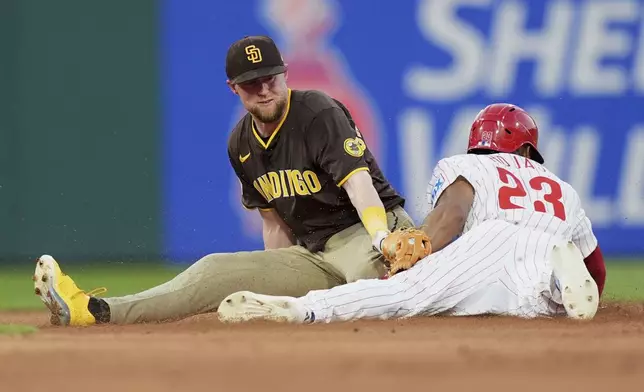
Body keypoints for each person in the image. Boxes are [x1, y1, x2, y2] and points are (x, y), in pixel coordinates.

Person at [32, 35, 417, 326]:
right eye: (252, 83)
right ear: (234, 88)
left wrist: (382, 237)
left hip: (364, 234)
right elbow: (273, 223)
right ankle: (95, 311)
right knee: (214, 270)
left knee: (374, 288)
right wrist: (272, 280)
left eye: (270, 78)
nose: (264, 89)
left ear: (284, 75)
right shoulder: (241, 143)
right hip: (314, 255)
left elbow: (358, 184)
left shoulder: (318, 112)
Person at [216, 103, 608, 324]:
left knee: (406, 294)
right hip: (549, 250)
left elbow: (452, 213)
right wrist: (580, 276)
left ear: (477, 143)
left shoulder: (466, 165)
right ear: (526, 150)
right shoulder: (563, 188)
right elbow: (598, 269)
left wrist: (419, 253)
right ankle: (560, 282)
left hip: (492, 242)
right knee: (531, 304)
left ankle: (305, 309)